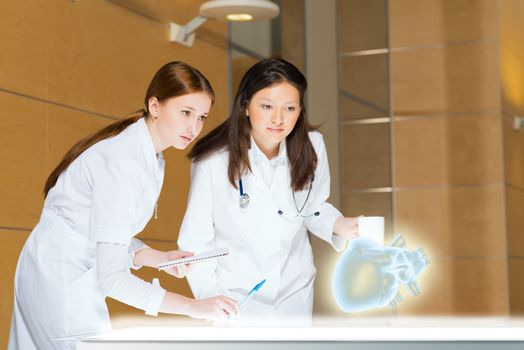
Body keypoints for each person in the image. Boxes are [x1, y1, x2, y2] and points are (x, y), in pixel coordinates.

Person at [8, 61, 238, 350]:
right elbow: (113, 279)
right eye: (185, 113)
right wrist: (195, 307)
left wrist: (156, 257)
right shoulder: (124, 161)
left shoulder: (149, 155)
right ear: (155, 106)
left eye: (202, 117)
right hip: (59, 275)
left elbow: (105, 232)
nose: (194, 127)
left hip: (69, 270)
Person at [178, 58, 360, 326]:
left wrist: (340, 224)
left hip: (294, 292)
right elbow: (195, 240)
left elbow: (312, 207)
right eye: (267, 106)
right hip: (235, 298)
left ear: (300, 110)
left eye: (289, 108)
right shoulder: (212, 161)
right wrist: (211, 297)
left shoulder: (312, 146)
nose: (278, 119)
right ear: (246, 107)